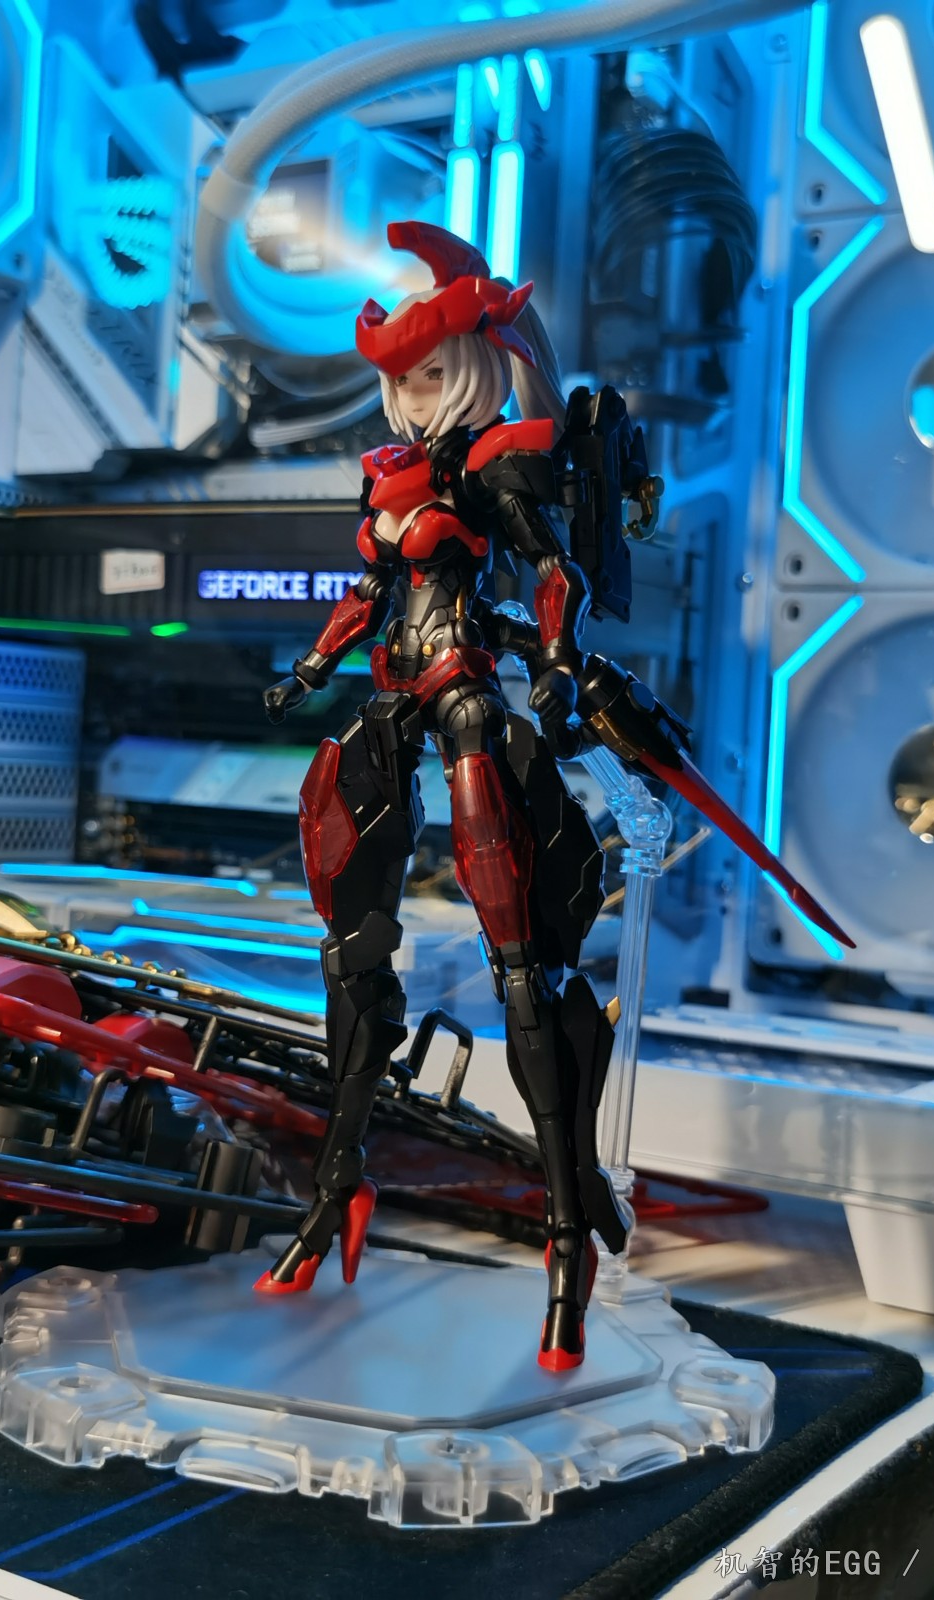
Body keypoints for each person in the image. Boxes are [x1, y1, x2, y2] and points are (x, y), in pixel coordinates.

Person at [259, 220, 631, 1370]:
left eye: (432, 375)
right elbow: (368, 596)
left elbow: (554, 569)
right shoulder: (391, 476)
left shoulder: (491, 467)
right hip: (392, 698)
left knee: (520, 960)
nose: (415, 398)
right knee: (351, 948)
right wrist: (313, 666)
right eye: (402, 381)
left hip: (466, 696)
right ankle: (338, 1188)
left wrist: (557, 663)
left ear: (471, 368)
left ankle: (567, 1234)